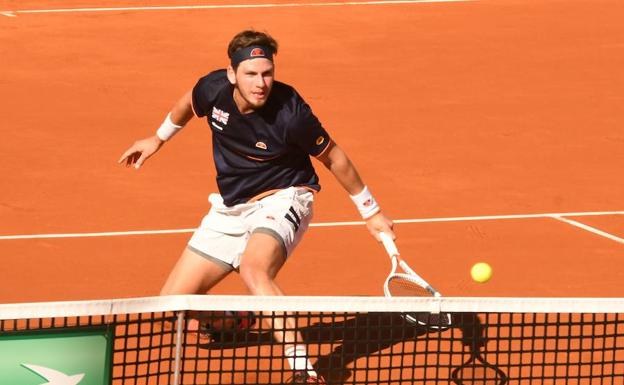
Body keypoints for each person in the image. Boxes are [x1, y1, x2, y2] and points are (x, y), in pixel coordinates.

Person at [119, 30, 394, 384]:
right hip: (231, 207)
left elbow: (334, 157)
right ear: (232, 74)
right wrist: (158, 138)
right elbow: (188, 102)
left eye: (267, 73)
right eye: (251, 74)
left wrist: (370, 211)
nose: (261, 83)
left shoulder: (291, 114)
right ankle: (232, 321)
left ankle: (304, 372)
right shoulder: (213, 89)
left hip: (284, 197)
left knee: (254, 270)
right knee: (172, 303)